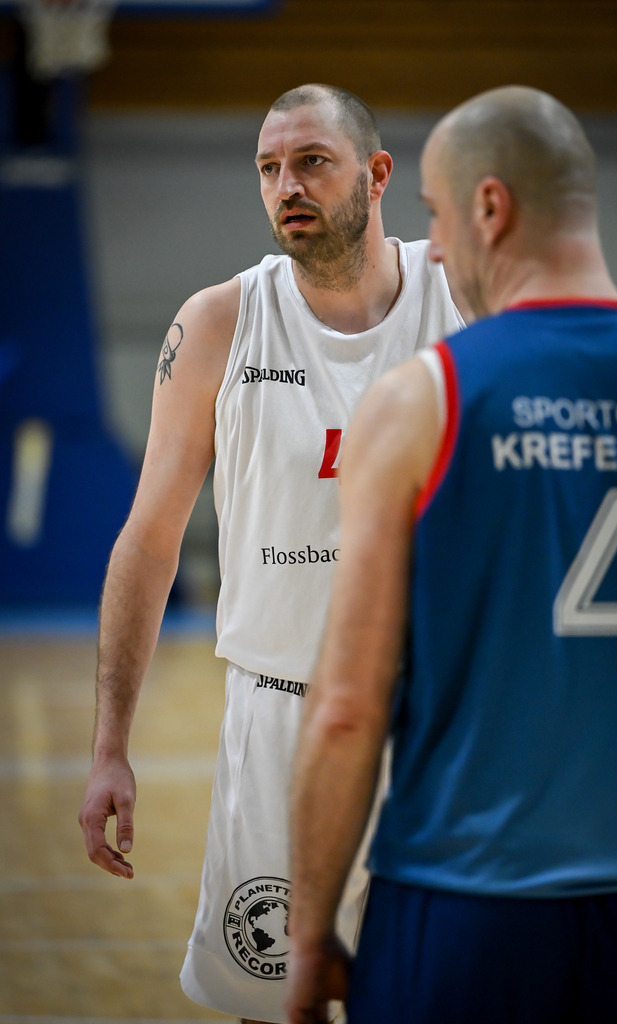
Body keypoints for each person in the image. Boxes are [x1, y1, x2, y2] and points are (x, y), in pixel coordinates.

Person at [286, 85, 617, 1024]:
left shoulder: (422, 399)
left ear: (489, 208)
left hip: (463, 901)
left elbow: (346, 708)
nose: (437, 243)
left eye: (431, 213)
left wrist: (306, 937)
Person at [77, 83, 463, 1024]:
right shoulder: (217, 324)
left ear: (377, 175)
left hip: (442, 724)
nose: (285, 184)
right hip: (279, 720)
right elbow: (150, 539)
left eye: (311, 162)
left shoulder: (465, 297)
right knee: (274, 1004)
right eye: (267, 168)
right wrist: (108, 747)